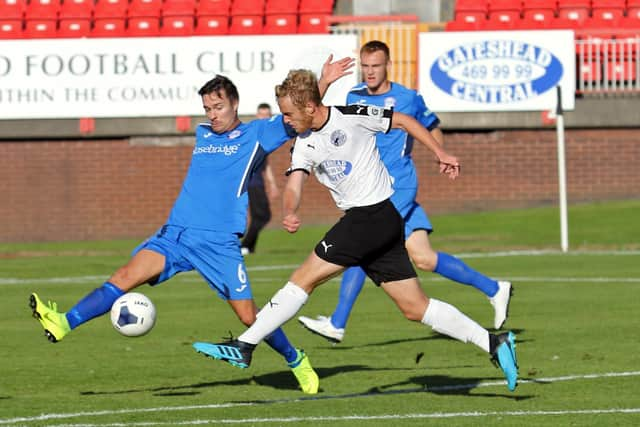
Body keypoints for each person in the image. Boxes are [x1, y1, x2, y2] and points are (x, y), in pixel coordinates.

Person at [28, 61, 356, 394]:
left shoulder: (258, 134)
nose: (212, 114)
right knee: (125, 276)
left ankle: (295, 359)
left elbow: (301, 113)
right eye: (207, 108)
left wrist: (323, 83)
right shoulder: (202, 133)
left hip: (218, 244)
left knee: (248, 317)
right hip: (176, 235)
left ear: (234, 104)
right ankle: (64, 322)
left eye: (218, 106)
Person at [192, 69, 519, 392]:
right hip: (378, 223)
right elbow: (294, 184)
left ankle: (246, 345)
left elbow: (403, 120)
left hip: (372, 216)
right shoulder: (303, 142)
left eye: (289, 114)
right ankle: (494, 342)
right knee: (415, 308)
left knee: (303, 278)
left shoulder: (353, 115)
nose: (286, 120)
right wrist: (289, 210)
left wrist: (440, 152)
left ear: (309, 107)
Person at [298, 40, 513, 344]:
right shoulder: (353, 95)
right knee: (423, 258)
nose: (370, 72)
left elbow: (430, 124)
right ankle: (494, 288)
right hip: (369, 185)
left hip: (396, 185)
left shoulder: (407, 98)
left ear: (387, 65)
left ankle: (337, 322)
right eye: (366, 66)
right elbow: (310, 112)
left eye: (376, 66)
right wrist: (324, 81)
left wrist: (442, 154)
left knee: (363, 244)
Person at [240, 103, 280, 255]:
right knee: (263, 215)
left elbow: (265, 163)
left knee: (260, 216)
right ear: (257, 116)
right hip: (251, 181)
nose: (264, 118)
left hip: (259, 181)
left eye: (267, 115)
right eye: (262, 115)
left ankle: (249, 247)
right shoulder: (252, 133)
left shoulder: (266, 136)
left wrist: (273, 183)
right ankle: (244, 246)